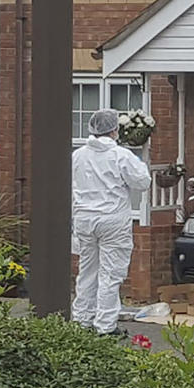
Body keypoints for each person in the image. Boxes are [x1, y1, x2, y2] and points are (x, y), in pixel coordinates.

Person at [71, 109, 151, 336]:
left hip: (84, 219)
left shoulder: (78, 155)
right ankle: (105, 325)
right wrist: (138, 164)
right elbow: (142, 182)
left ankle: (82, 319)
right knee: (110, 273)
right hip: (112, 220)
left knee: (87, 271)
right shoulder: (121, 155)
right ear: (114, 130)